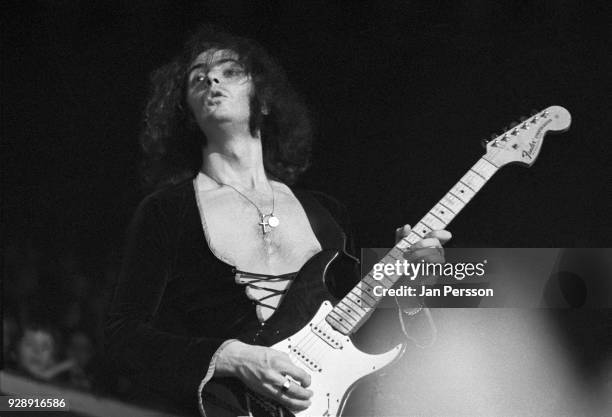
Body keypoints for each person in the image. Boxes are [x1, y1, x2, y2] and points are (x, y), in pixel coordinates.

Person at [105, 24, 451, 416]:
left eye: (229, 71)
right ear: (186, 111)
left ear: (264, 100)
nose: (212, 79)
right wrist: (230, 357)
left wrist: (412, 295)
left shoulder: (326, 213)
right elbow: (122, 338)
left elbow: (376, 343)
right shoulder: (166, 211)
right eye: (197, 78)